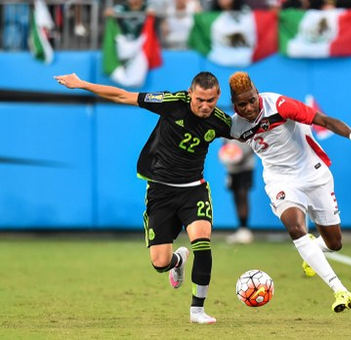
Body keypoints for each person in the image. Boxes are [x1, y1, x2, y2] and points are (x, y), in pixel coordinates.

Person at [54, 71, 232, 323]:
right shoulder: (172, 103)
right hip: (160, 190)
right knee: (160, 263)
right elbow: (121, 95)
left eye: (210, 101)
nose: (204, 106)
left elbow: (251, 132)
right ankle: (178, 260)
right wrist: (82, 84)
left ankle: (197, 310)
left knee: (202, 242)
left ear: (218, 97)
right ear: (190, 93)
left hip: (194, 188)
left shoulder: (221, 121)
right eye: (200, 99)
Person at [228, 71, 351, 313]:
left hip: (314, 175)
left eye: (252, 100)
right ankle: (339, 289)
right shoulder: (234, 126)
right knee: (296, 228)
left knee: (334, 243)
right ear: (235, 105)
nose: (248, 107)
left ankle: (314, 250)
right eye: (241, 104)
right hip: (280, 181)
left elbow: (325, 121)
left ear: (257, 94)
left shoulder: (279, 105)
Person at [218, 139, 255, 244]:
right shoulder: (228, 124)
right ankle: (241, 229)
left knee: (243, 194)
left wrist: (241, 156)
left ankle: (245, 229)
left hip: (246, 166)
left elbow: (254, 146)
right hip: (232, 168)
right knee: (236, 196)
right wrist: (225, 155)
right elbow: (225, 144)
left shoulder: (248, 123)